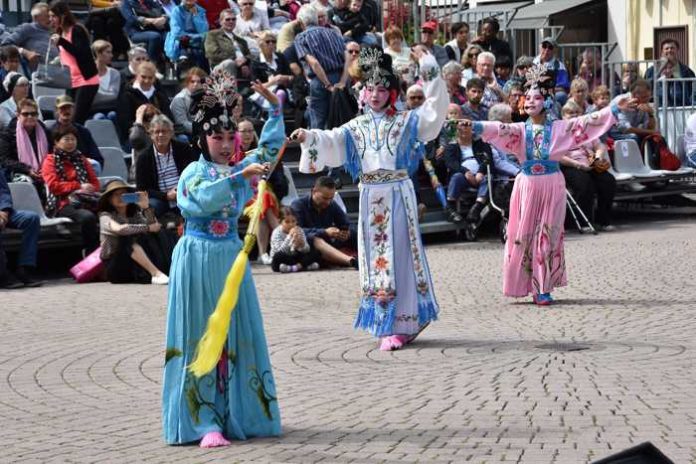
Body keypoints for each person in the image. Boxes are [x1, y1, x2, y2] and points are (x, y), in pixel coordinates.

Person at [291, 48, 447, 351]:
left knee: (400, 255)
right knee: (377, 260)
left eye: (381, 88)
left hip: (398, 195)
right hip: (370, 197)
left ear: (391, 92)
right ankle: (387, 320)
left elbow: (434, 112)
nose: (375, 94)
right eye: (369, 88)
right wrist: (308, 137)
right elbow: (331, 139)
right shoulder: (356, 127)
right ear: (362, 91)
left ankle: (406, 319)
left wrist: (427, 66)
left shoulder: (405, 121)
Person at [162, 73, 283, 447]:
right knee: (200, 333)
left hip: (230, 257)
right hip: (197, 258)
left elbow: (268, 152)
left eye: (230, 136)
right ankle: (203, 420)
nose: (226, 142)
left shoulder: (239, 167)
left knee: (235, 332)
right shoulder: (193, 172)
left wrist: (276, 111)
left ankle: (239, 412)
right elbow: (195, 201)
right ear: (202, 139)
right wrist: (236, 178)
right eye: (217, 137)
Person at [465, 65, 631, 305]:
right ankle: (521, 283)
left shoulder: (560, 129)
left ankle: (542, 286)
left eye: (537, 97)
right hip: (527, 185)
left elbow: (586, 123)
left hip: (552, 184)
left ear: (548, 101)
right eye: (528, 97)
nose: (531, 101)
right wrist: (475, 126)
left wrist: (613, 109)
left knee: (548, 234)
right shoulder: (521, 130)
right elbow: (499, 129)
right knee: (523, 234)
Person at [98, 179, 172, 284]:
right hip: (115, 266)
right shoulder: (105, 216)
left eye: (124, 194)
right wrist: (147, 228)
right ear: (109, 200)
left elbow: (154, 227)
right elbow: (120, 229)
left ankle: (167, 269)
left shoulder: (134, 214)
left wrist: (146, 207)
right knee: (126, 238)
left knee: (159, 234)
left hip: (131, 263)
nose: (121, 197)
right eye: (116, 194)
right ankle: (156, 274)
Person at [42, 124, 101, 254]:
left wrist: (88, 189)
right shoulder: (50, 161)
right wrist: (78, 187)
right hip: (62, 203)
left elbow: (95, 183)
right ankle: (92, 254)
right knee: (88, 217)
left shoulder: (81, 158)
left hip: (86, 199)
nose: (71, 143)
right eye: (66, 139)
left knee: (113, 210)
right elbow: (54, 186)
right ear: (57, 142)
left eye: (73, 139)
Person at [559, 100, 616, 232]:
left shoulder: (586, 130)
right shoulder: (560, 133)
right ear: (563, 116)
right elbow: (559, 156)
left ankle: (604, 221)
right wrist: (577, 165)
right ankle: (584, 222)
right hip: (571, 165)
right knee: (585, 183)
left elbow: (599, 145)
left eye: (576, 112)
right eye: (569, 113)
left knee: (608, 181)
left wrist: (598, 156)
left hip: (590, 162)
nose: (573, 115)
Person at [48, 1, 100, 125]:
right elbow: (67, 57)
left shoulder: (76, 30)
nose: (51, 19)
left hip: (86, 81)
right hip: (71, 81)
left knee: (76, 120)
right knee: (66, 119)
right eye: (49, 16)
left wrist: (61, 42)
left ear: (63, 16)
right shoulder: (60, 32)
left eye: (53, 16)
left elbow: (81, 53)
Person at [293, 5, 345, 130]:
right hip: (339, 78)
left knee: (318, 123)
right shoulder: (333, 33)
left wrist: (327, 84)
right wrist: (342, 81)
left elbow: (314, 63)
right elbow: (346, 58)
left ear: (301, 21)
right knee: (339, 121)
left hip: (320, 81)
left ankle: (317, 150)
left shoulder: (301, 37)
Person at [290, 176, 356, 268]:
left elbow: (347, 223)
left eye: (331, 198)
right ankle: (351, 261)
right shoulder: (298, 205)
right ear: (314, 191)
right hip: (307, 247)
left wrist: (346, 233)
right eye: (324, 198)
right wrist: (324, 232)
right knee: (314, 239)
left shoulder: (331, 204)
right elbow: (296, 230)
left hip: (328, 244)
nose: (328, 202)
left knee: (355, 234)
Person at [135, 114, 195, 217]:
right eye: (157, 132)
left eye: (164, 131)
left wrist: (180, 189)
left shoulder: (184, 149)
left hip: (184, 193)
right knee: (150, 207)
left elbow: (193, 174)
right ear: (151, 134)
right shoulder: (143, 158)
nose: (161, 135)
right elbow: (142, 189)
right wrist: (166, 196)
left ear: (171, 133)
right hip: (160, 199)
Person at [0, 167, 43, 289]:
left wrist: (4, 211)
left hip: (4, 212)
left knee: (31, 218)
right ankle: (2, 274)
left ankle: (25, 268)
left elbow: (4, 192)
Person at [0, 99, 51, 193]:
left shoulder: (45, 131)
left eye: (33, 113)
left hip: (45, 170)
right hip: (18, 171)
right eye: (25, 114)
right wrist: (27, 169)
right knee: (27, 182)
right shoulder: (8, 134)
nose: (30, 116)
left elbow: (52, 153)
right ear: (18, 115)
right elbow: (5, 160)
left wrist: (46, 168)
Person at [45, 95, 104, 173]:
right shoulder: (49, 132)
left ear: (73, 110)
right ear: (56, 111)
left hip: (85, 171)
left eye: (69, 108)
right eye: (63, 108)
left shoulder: (83, 131)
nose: (66, 111)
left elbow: (97, 158)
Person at [117, 61, 173, 142]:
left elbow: (168, 117)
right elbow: (124, 123)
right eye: (143, 77)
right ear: (136, 76)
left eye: (150, 78)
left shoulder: (159, 94)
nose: (147, 81)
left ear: (154, 78)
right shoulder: (126, 94)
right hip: (137, 137)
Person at [1, 2, 58, 72]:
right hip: (38, 76)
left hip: (57, 74)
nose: (50, 19)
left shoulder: (54, 31)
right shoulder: (28, 28)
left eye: (51, 16)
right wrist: (25, 52)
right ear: (35, 18)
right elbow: (5, 45)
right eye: (47, 16)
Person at [645, 38, 695, 106]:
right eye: (666, 48)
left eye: (672, 48)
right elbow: (646, 87)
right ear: (662, 51)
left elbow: (693, 92)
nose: (669, 50)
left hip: (681, 110)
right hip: (658, 110)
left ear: (677, 50)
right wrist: (659, 75)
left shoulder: (687, 71)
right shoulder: (651, 70)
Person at [269, 206, 321, 272]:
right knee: (278, 256)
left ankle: (296, 267)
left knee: (316, 252)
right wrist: (289, 237)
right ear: (280, 222)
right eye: (287, 222)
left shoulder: (299, 230)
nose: (291, 224)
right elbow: (280, 251)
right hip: (283, 259)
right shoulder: (277, 232)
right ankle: (304, 266)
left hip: (295, 258)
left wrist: (301, 245)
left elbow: (306, 250)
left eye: (293, 221)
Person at [120, 0, 168, 66]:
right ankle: (151, 64)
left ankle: (170, 63)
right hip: (136, 32)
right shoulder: (126, 3)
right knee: (154, 36)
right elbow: (131, 18)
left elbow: (162, 11)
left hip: (154, 28)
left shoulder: (149, 1)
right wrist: (149, 21)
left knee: (169, 36)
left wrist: (163, 18)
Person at [165, 0, 209, 69]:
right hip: (181, 42)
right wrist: (195, 37)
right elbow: (177, 33)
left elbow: (204, 31)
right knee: (188, 47)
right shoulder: (176, 11)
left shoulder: (200, 11)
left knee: (201, 52)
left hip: (198, 42)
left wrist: (196, 15)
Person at [170, 67, 207, 137]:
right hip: (185, 135)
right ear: (187, 83)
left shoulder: (207, 97)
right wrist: (203, 129)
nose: (195, 84)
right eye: (192, 81)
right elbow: (182, 123)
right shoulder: (180, 99)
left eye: (198, 82)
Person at [532, 36, 570, 104]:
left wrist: (546, 90)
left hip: (551, 94)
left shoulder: (559, 66)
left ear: (554, 51)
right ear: (540, 47)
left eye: (550, 47)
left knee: (561, 96)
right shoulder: (532, 62)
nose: (546, 50)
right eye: (544, 46)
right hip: (533, 93)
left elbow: (563, 88)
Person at [91, 40, 121, 121]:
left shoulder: (115, 73)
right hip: (92, 110)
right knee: (99, 117)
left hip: (112, 108)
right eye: (108, 52)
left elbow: (114, 95)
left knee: (113, 115)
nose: (111, 55)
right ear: (98, 53)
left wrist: (98, 95)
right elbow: (90, 98)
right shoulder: (88, 73)